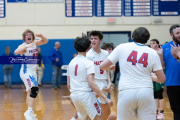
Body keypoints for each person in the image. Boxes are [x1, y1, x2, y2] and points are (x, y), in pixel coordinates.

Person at [100, 27, 166, 120]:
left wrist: (110, 66)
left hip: (126, 91)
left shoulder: (122, 47)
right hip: (145, 92)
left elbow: (102, 66)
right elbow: (162, 78)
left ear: (132, 37)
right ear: (147, 39)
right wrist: (151, 77)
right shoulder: (153, 52)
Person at [67, 35, 113, 120]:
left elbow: (68, 84)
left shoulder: (70, 63)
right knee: (98, 117)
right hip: (86, 95)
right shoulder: (88, 62)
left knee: (84, 118)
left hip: (74, 95)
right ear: (88, 47)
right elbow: (91, 83)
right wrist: (105, 98)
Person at [14, 29, 48, 120]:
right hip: (26, 71)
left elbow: (46, 41)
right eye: (27, 35)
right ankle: (28, 111)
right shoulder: (23, 45)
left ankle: (30, 112)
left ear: (32, 36)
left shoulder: (34, 43)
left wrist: (41, 36)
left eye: (30, 34)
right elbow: (16, 52)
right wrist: (26, 46)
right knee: (34, 89)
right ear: (24, 37)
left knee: (32, 92)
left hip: (33, 72)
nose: (29, 36)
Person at [154, 24, 180, 120]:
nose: (179, 34)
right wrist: (160, 56)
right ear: (171, 34)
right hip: (172, 83)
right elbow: (162, 66)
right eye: (177, 33)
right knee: (176, 110)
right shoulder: (165, 47)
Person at [86, 31, 113, 120]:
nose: (93, 41)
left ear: (100, 40)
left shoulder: (105, 53)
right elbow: (87, 75)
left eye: (95, 39)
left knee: (107, 113)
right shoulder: (88, 55)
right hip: (94, 84)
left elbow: (106, 70)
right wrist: (93, 89)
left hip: (104, 84)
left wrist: (109, 83)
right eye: (92, 39)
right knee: (92, 114)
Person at [150, 39, 165, 119]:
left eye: (154, 43)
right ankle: (156, 112)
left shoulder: (160, 52)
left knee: (160, 94)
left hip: (158, 75)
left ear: (157, 44)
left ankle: (162, 112)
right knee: (155, 95)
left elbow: (162, 65)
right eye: (151, 43)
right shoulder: (149, 53)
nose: (152, 45)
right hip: (152, 75)